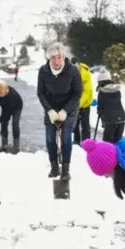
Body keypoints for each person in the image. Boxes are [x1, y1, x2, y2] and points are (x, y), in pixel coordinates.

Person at [37, 42, 82, 180]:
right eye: (53, 58)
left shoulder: (73, 70)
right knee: (50, 139)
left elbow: (77, 93)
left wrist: (65, 110)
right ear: (49, 58)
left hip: (69, 108)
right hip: (51, 108)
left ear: (64, 56)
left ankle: (66, 169)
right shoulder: (43, 71)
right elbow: (41, 93)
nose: (56, 61)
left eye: (59, 57)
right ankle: (54, 167)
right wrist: (50, 110)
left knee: (66, 138)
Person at [0, 80, 23, 153]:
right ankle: (4, 145)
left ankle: (16, 147)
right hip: (5, 106)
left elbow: (6, 114)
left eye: (2, 94)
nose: (0, 95)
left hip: (17, 106)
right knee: (4, 124)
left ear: (6, 91)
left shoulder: (12, 96)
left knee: (15, 123)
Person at [95, 70, 125, 143]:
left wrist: (102, 119)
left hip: (110, 120)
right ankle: (118, 154)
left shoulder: (102, 92)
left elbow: (100, 108)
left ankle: (108, 154)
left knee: (108, 143)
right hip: (121, 118)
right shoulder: (117, 90)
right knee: (118, 142)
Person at [71, 57, 93, 145]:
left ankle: (86, 143)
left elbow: (87, 91)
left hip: (85, 104)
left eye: (75, 65)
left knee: (85, 124)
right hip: (74, 103)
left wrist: (79, 103)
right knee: (75, 124)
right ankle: (76, 142)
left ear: (79, 64)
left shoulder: (85, 73)